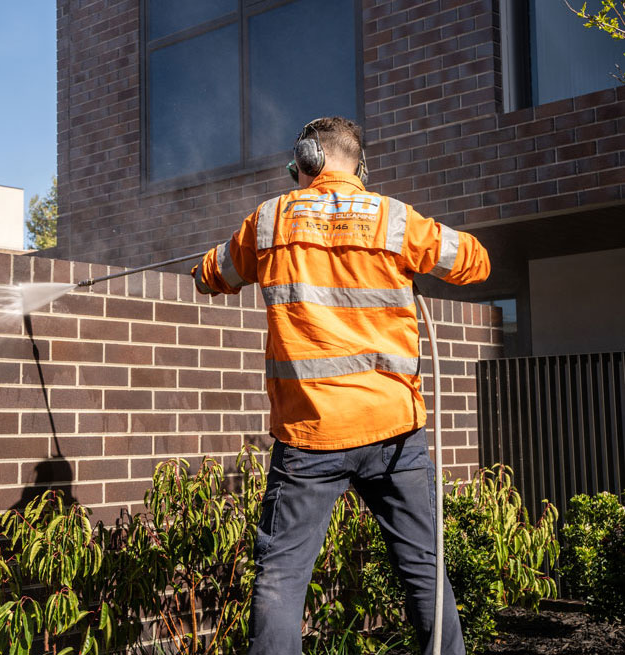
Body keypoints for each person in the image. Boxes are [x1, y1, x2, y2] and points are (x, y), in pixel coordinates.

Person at [192, 116, 490, 655]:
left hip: (310, 435)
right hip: (393, 432)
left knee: (282, 578)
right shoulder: (392, 219)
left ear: (305, 159)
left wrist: (204, 267)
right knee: (423, 566)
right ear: (359, 163)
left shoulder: (268, 221)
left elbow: (214, 274)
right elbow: (475, 263)